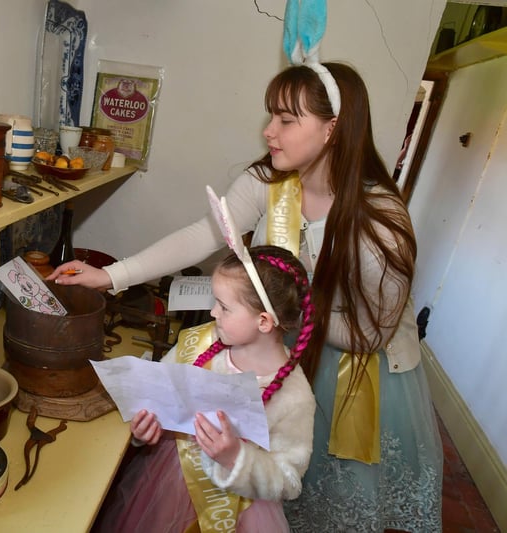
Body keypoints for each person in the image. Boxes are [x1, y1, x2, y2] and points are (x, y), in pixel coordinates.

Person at [51, 62, 443, 531]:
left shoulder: (382, 225)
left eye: (285, 120)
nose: (268, 131)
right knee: (253, 483)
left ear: (331, 129)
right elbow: (204, 234)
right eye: (270, 116)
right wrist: (111, 276)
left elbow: (371, 334)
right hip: (279, 343)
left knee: (313, 485)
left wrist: (278, 318)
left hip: (353, 366)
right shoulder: (271, 181)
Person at [92, 245, 316, 532]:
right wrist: (147, 429)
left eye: (224, 306)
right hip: (168, 483)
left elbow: (289, 480)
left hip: (239, 513)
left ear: (263, 321)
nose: (213, 311)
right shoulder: (198, 342)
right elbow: (161, 403)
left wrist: (236, 458)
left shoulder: (294, 396)